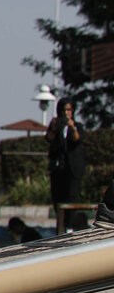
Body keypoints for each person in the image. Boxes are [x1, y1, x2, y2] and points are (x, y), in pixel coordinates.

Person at [46, 98, 85, 230]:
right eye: (63, 110)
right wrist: (54, 128)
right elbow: (49, 138)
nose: (65, 113)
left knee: (71, 196)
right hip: (58, 168)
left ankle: (70, 226)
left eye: (68, 110)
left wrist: (71, 126)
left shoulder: (77, 126)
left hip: (73, 168)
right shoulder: (56, 126)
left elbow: (77, 139)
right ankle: (61, 225)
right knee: (58, 198)